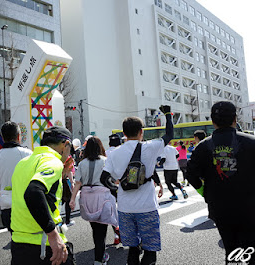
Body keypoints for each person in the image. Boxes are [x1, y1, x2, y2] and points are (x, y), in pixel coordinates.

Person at [100, 105, 173, 265]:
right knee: (150, 251)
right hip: (147, 207)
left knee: (133, 249)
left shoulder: (114, 153)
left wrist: (117, 190)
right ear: (141, 131)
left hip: (125, 210)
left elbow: (104, 178)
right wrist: (168, 114)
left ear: (124, 133)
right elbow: (169, 135)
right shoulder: (150, 147)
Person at [186, 101, 255, 264]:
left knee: (230, 247)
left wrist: (205, 193)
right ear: (235, 119)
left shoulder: (202, 147)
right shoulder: (251, 142)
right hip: (250, 206)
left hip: (220, 207)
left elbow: (191, 175)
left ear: (212, 121)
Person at [11, 126, 75, 265]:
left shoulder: (22, 163)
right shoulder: (53, 161)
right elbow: (33, 192)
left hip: (19, 244)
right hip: (44, 245)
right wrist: (52, 234)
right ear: (65, 145)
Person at [70, 136, 118, 265]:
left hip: (87, 197)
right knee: (102, 231)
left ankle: (100, 256)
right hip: (102, 196)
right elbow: (114, 179)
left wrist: (72, 199)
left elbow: (78, 183)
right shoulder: (105, 161)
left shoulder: (82, 163)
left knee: (95, 229)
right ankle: (99, 259)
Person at [0, 121, 32, 232]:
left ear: (3, 138)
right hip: (26, 203)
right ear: (18, 136)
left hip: (6, 204)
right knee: (29, 239)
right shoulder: (28, 153)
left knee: (14, 236)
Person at [62, 156, 75, 227]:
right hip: (64, 181)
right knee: (68, 199)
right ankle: (67, 220)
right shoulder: (67, 158)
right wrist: (72, 182)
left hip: (54, 181)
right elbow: (68, 171)